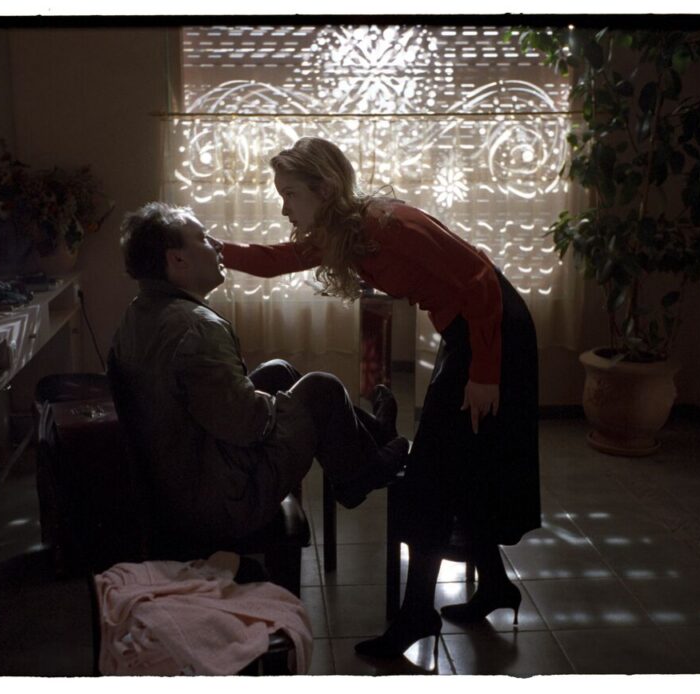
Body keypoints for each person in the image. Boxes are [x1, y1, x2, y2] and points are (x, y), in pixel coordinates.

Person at [218, 137, 541, 660]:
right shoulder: (341, 232)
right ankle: (495, 586)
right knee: (466, 458)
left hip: (495, 330)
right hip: (467, 329)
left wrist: (485, 371)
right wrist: (210, 248)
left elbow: (480, 277)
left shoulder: (387, 225)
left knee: (433, 470)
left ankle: (417, 614)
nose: (283, 208)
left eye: (290, 194)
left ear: (325, 188)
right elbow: (273, 259)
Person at [109, 201, 408, 557]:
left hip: (181, 480)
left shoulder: (139, 314)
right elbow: (249, 425)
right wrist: (281, 403)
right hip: (219, 503)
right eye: (203, 238)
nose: (217, 245)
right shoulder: (197, 328)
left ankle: (374, 437)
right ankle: (359, 475)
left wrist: (274, 397)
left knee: (280, 371)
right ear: (177, 260)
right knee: (321, 388)